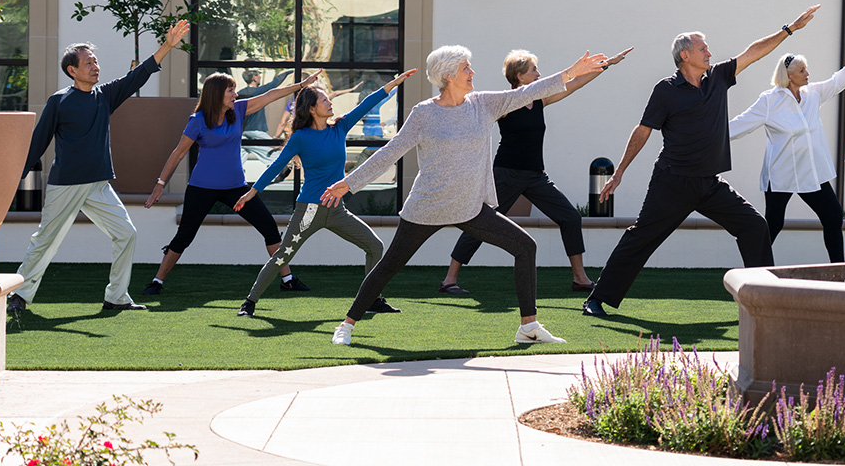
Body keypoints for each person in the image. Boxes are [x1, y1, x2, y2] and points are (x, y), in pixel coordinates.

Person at [321, 46, 611, 346]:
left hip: (471, 207)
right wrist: (349, 182)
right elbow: (391, 151)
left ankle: (529, 326)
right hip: (427, 207)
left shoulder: (483, 104)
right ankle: (347, 324)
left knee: (525, 246)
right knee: (389, 266)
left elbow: (530, 92)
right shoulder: (424, 113)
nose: (472, 72)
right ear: (448, 76)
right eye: (466, 68)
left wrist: (572, 71)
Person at [581, 5, 820, 318]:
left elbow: (753, 53)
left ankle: (766, 299)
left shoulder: (718, 78)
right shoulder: (666, 90)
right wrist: (620, 172)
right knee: (641, 238)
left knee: (754, 226)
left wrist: (789, 30)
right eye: (702, 48)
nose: (709, 52)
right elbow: (642, 131)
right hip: (672, 182)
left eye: (708, 48)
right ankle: (597, 299)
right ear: (685, 56)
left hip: (709, 183)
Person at [7, 20, 190, 314]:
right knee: (45, 241)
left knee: (126, 234)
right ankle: (19, 297)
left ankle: (116, 296)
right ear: (72, 70)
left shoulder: (105, 96)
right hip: (65, 184)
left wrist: (167, 46)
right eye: (88, 63)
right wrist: (17, 175)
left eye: (96, 61)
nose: (95, 66)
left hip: (98, 184)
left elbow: (138, 76)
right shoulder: (60, 101)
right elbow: (39, 140)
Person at [439, 47, 633, 295]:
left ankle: (580, 278)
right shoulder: (505, 103)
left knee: (570, 217)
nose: (539, 74)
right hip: (506, 175)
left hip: (535, 176)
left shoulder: (540, 100)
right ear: (520, 76)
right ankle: (449, 280)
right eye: (534, 70)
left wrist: (606, 65)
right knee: (482, 222)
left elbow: (575, 83)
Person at [232, 68, 418, 317]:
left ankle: (372, 299)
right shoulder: (301, 137)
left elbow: (366, 104)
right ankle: (250, 302)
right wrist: (252, 192)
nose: (330, 102)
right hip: (309, 210)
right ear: (311, 108)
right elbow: (277, 165)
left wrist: (392, 84)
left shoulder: (339, 127)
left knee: (375, 246)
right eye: (324, 100)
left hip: (337, 210)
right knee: (282, 255)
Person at [138, 69, 322, 296]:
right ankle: (157, 281)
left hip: (236, 187)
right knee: (185, 235)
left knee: (269, 227)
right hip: (202, 188)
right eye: (230, 90)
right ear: (216, 94)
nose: (235, 94)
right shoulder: (198, 120)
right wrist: (160, 183)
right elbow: (178, 153)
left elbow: (270, 95)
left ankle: (288, 279)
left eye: (235, 90)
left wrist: (301, 85)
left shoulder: (239, 110)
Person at [729, 31, 845, 263]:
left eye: (807, 69)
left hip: (811, 174)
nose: (808, 74)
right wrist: (703, 135)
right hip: (780, 175)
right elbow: (739, 126)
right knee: (773, 224)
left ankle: (838, 271)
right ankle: (754, 271)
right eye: (802, 71)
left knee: (833, 217)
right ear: (788, 76)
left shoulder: (812, 94)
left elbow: (841, 78)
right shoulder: (769, 101)